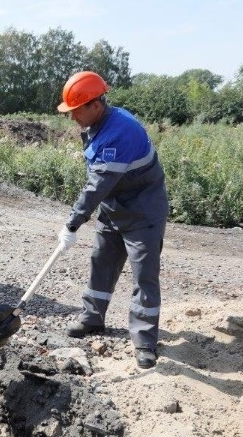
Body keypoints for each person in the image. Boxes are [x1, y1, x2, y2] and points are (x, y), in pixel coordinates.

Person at [55, 71, 169, 369]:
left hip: (143, 210)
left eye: (75, 110)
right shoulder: (99, 123)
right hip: (114, 204)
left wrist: (72, 223)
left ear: (95, 104)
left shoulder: (121, 132)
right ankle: (92, 318)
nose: (72, 117)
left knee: (144, 274)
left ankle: (145, 341)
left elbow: (96, 185)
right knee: (101, 260)